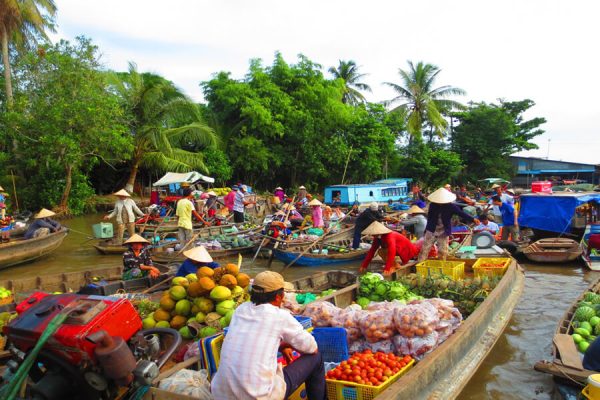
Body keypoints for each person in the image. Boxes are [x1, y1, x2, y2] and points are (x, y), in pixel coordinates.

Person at [212, 271, 326, 400]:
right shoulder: (280, 316)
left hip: (221, 394)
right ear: (279, 296)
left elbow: (253, 342)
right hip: (259, 397)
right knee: (316, 357)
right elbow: (311, 347)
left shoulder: (240, 310)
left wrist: (281, 346)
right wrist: (288, 344)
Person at [417, 188, 479, 262]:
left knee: (442, 251)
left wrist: (473, 219)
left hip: (444, 230)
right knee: (425, 248)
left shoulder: (451, 206)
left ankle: (442, 264)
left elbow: (461, 213)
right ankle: (420, 263)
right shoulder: (432, 205)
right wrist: (426, 229)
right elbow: (429, 217)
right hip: (432, 229)